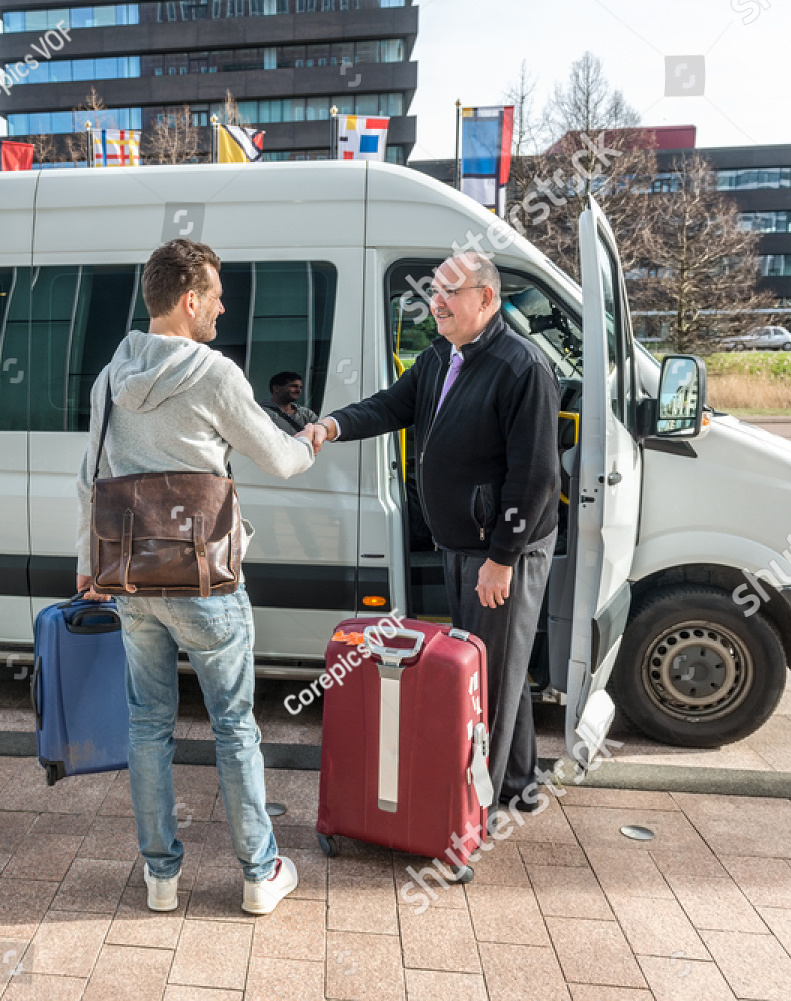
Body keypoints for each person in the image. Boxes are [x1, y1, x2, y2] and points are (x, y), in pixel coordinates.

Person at [76, 239, 317, 915]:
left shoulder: (109, 375)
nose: (221, 304)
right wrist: (313, 436)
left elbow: (87, 478)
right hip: (205, 579)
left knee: (147, 724)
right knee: (235, 726)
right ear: (188, 300)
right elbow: (279, 458)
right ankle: (258, 873)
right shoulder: (214, 374)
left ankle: (160, 875)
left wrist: (87, 565)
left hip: (130, 577)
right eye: (214, 293)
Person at [311, 252, 561, 819]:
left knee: (487, 678)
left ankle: (479, 808)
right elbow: (389, 407)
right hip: (461, 544)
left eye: (451, 292)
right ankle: (519, 784)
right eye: (434, 293)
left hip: (499, 552)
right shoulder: (441, 356)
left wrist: (502, 558)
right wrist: (331, 425)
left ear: (487, 299)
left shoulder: (521, 367)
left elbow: (537, 475)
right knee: (497, 667)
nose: (437, 303)